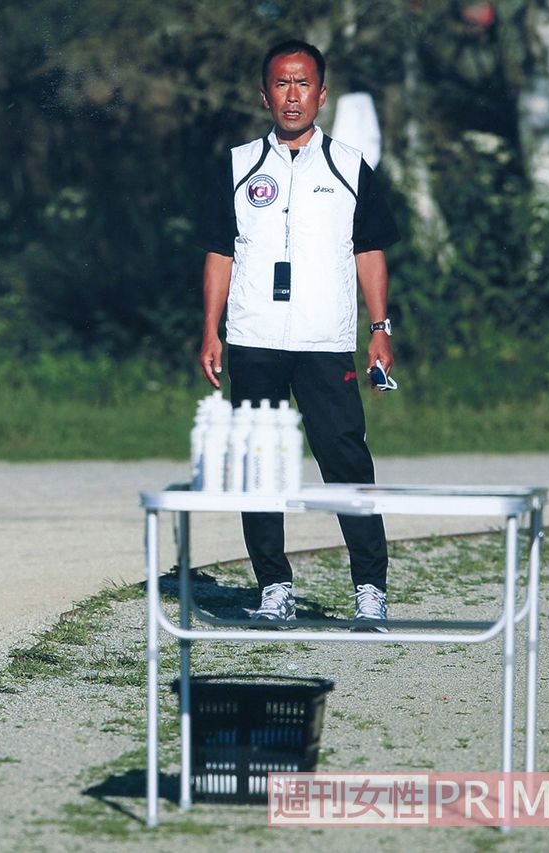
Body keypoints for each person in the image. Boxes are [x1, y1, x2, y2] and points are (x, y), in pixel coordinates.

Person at [197, 39, 399, 629]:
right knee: (259, 464)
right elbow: (220, 252)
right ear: (265, 95)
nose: (292, 95)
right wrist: (211, 329)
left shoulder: (349, 166)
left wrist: (380, 328)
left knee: (345, 458)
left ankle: (370, 589)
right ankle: (274, 588)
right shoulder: (238, 166)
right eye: (281, 84)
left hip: (324, 340)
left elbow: (369, 251)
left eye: (303, 83)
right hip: (254, 337)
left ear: (322, 94)